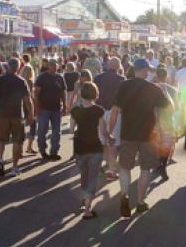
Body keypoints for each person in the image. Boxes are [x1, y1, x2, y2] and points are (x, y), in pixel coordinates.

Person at [109, 58, 172, 218]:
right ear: (144, 70)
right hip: (148, 134)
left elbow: (115, 110)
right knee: (145, 168)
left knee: (125, 167)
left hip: (127, 133)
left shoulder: (124, 85)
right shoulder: (153, 88)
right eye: (148, 70)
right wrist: (162, 89)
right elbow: (169, 106)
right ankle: (140, 203)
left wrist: (111, 131)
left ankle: (124, 195)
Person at [0, 58, 34, 178]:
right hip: (17, 115)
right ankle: (14, 167)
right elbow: (27, 100)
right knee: (17, 141)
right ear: (18, 68)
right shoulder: (21, 81)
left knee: (0, 139)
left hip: (2, 114)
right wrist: (31, 114)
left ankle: (0, 160)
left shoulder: (0, 79)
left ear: (8, 66)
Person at [71, 82, 106, 219]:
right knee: (93, 177)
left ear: (81, 94)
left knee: (83, 174)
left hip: (80, 146)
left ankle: (84, 197)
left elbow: (71, 130)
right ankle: (87, 210)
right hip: (95, 146)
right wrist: (109, 138)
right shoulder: (99, 110)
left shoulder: (75, 110)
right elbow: (103, 131)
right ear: (95, 94)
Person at [94, 57, 126, 180]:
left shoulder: (98, 78)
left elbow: (94, 96)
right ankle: (111, 170)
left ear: (107, 65)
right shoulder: (122, 80)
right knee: (112, 143)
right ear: (118, 67)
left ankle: (103, 166)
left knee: (102, 141)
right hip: (116, 113)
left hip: (99, 112)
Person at [34, 60, 67, 160]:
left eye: (55, 66)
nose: (54, 67)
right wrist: (36, 107)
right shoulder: (41, 77)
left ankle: (54, 152)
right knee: (42, 131)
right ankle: (43, 150)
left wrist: (65, 105)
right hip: (43, 109)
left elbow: (63, 92)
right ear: (48, 66)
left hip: (56, 108)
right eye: (52, 65)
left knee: (56, 132)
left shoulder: (60, 77)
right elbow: (36, 93)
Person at [153, 66, 179, 180]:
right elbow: (176, 108)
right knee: (167, 145)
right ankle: (163, 165)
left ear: (156, 76)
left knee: (156, 144)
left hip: (154, 120)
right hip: (168, 120)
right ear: (166, 76)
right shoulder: (173, 90)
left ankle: (158, 164)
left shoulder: (151, 88)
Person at [20, 62, 38, 155]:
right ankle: (29, 147)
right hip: (29, 105)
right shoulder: (30, 82)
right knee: (33, 126)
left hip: (20, 105)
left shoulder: (20, 81)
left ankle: (20, 149)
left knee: (21, 127)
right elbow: (31, 96)